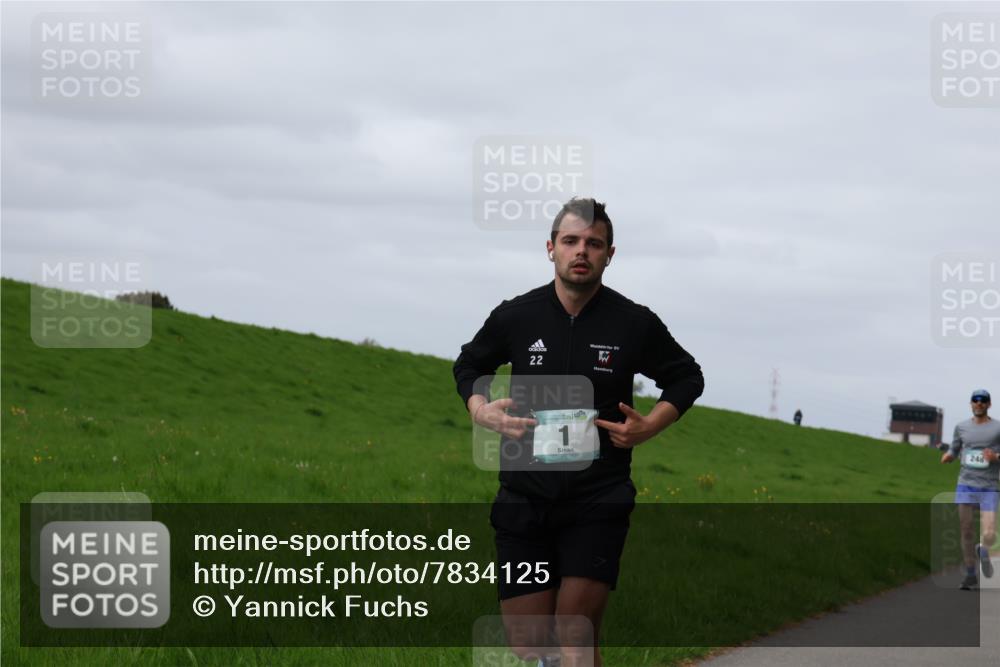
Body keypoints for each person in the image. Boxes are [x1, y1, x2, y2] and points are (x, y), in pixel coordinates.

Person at [453, 198, 704, 666]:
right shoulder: (517, 316)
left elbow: (687, 376)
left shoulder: (634, 323)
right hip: (524, 500)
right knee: (530, 646)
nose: (581, 251)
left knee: (575, 634)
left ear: (610, 254)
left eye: (594, 243)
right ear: (551, 249)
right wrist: (480, 409)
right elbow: (469, 363)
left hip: (597, 497)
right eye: (570, 241)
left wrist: (650, 425)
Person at [940, 389, 1000, 590]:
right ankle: (971, 574)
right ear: (971, 404)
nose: (979, 403)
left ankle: (983, 549)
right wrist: (949, 455)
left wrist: (996, 458)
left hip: (989, 486)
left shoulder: (997, 428)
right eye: (976, 400)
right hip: (965, 484)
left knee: (990, 533)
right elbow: (955, 448)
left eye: (983, 401)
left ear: (989, 404)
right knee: (966, 530)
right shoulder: (961, 427)